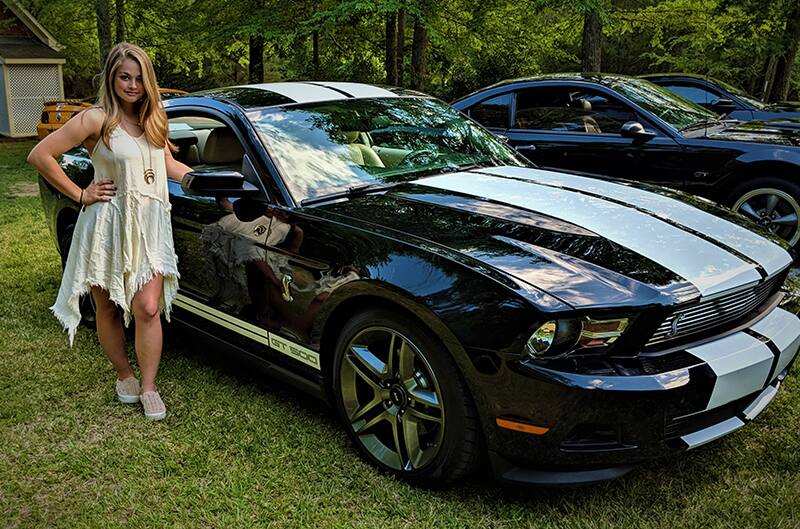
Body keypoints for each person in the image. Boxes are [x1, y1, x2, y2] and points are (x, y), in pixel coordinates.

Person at [27, 42, 192, 420]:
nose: (132, 85)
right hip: (105, 223)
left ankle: (150, 387)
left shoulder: (154, 118)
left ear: (148, 81)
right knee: (108, 306)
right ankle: (124, 376)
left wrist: (203, 181)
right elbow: (40, 155)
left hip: (150, 224)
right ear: (112, 78)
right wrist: (81, 194)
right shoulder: (95, 119)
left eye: (139, 78)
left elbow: (166, 163)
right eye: (124, 77)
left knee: (147, 307)